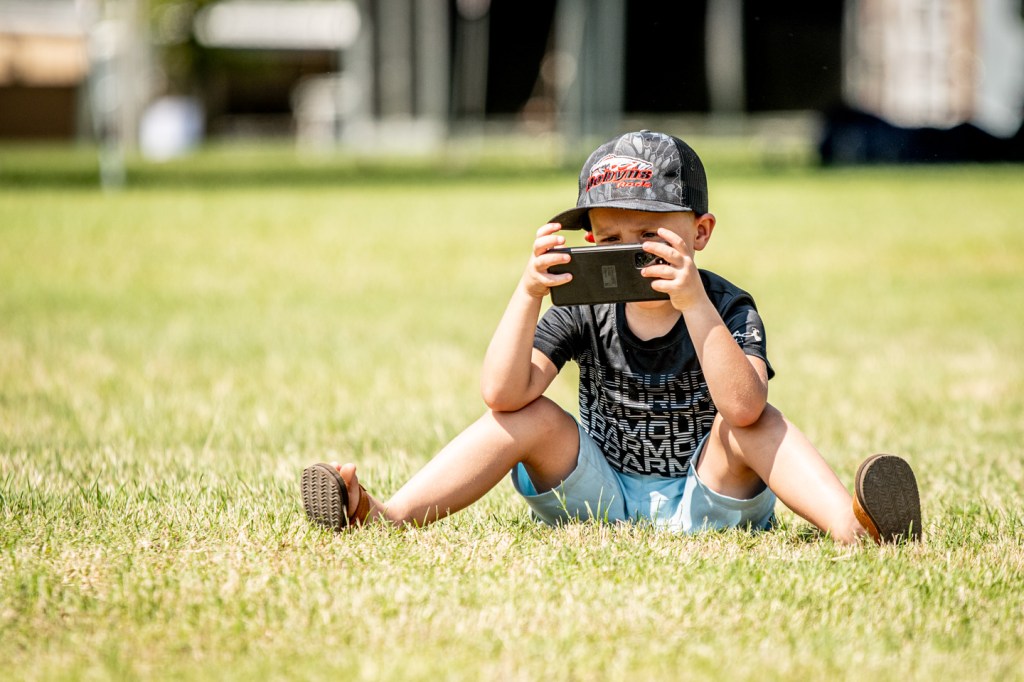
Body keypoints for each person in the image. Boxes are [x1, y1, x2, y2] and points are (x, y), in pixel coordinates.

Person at [300, 130, 922, 544]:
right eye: (610, 240)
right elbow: (502, 394)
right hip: (600, 495)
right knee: (527, 416)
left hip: (708, 495)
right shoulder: (585, 306)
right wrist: (528, 292)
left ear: (701, 233)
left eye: (648, 237)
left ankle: (855, 527)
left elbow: (744, 407)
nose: (629, 255)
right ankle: (388, 516)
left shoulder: (726, 304)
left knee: (757, 425)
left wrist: (694, 303)